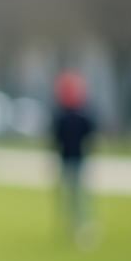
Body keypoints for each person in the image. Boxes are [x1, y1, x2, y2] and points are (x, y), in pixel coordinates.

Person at [51, 69, 98, 245]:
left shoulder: (82, 116)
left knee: (80, 194)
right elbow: (55, 138)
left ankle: (83, 224)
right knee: (69, 195)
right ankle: (71, 224)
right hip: (66, 159)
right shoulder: (61, 115)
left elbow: (91, 136)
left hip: (79, 159)